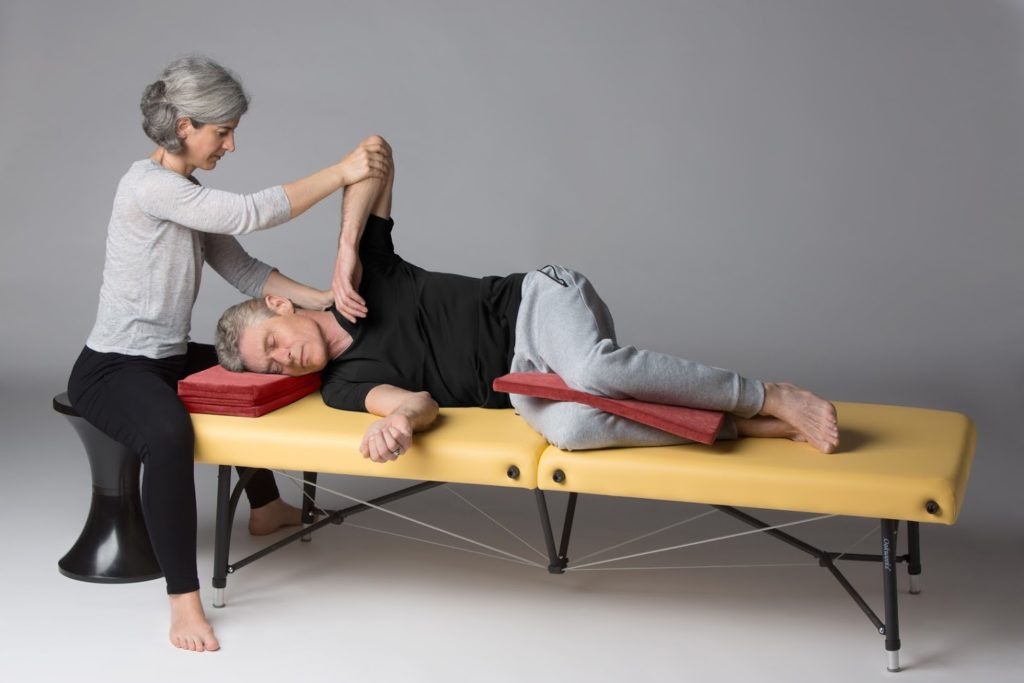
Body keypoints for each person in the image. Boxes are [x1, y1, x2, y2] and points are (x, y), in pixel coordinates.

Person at [214, 145, 840, 465]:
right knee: (571, 428)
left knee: (597, 372)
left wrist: (346, 249)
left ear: (280, 305)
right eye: (272, 368)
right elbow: (412, 401)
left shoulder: (363, 280)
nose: (285, 359)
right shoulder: (342, 385)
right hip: (522, 384)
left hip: (536, 302)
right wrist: (400, 423)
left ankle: (770, 394)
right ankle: (745, 425)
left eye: (272, 341)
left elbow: (374, 151)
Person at [67, 55, 393, 653]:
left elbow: (243, 269)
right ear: (186, 125)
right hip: (113, 367)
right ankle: (184, 604)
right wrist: (342, 171)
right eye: (224, 131)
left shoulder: (185, 193)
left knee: (249, 377)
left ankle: (265, 509)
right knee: (168, 437)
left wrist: (324, 299)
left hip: (165, 357)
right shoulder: (147, 187)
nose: (232, 144)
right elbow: (250, 212)